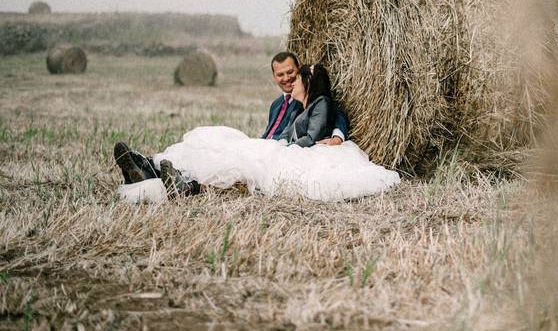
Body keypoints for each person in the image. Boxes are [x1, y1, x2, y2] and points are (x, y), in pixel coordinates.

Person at [113, 63, 399, 202]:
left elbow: (330, 117)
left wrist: (337, 134)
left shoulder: (322, 103)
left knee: (237, 156)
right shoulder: (292, 105)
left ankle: (185, 181)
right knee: (219, 141)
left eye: (296, 77)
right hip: (278, 146)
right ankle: (150, 166)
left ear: (309, 81)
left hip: (292, 152)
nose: (289, 82)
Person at [264, 51, 349, 145]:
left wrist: (337, 137)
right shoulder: (275, 104)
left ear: (299, 70)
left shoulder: (309, 100)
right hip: (269, 146)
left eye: (290, 72)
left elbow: (336, 111)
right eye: (280, 75)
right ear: (274, 76)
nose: (286, 78)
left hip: (287, 150)